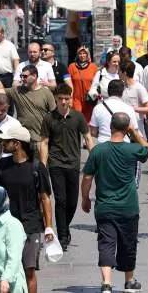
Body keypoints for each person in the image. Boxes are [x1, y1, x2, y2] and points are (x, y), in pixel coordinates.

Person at [81, 113, 148, 293]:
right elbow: (147, 151)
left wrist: (85, 198)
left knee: (106, 243)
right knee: (128, 243)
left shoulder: (98, 150)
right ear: (126, 128)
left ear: (110, 126)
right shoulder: (132, 150)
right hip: (128, 207)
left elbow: (87, 177)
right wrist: (134, 133)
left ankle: (106, 283)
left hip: (105, 207)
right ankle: (129, 280)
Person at [0, 122, 54, 293]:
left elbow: (45, 198)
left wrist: (49, 227)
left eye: (7, 141)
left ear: (17, 144)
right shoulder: (2, 166)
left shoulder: (36, 167)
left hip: (30, 225)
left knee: (29, 270)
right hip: (6, 225)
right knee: (6, 270)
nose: (3, 144)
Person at [40, 84, 94, 249]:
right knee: (61, 200)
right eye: (61, 99)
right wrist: (43, 165)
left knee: (72, 202)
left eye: (66, 98)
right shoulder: (49, 118)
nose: (63, 102)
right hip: (56, 164)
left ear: (70, 99)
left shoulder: (78, 117)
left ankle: (65, 228)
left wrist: (95, 158)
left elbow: (88, 138)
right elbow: (44, 142)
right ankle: (63, 236)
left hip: (73, 164)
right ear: (56, 99)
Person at [0, 64, 57, 143]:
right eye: (21, 76)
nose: (22, 79)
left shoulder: (46, 93)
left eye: (25, 76)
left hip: (40, 139)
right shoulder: (17, 90)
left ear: (34, 76)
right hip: (23, 138)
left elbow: (55, 116)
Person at [120, 61, 148, 140]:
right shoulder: (121, 87)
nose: (118, 74)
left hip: (137, 131)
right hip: (123, 131)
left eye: (119, 71)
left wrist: (133, 108)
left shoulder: (139, 88)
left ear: (124, 73)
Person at [68, 45, 99, 119]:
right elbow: (69, 83)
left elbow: (97, 83)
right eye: (80, 53)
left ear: (88, 55)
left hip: (89, 99)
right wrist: (70, 98)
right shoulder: (72, 66)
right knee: (77, 118)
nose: (82, 55)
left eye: (84, 53)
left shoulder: (93, 67)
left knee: (89, 120)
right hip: (76, 99)